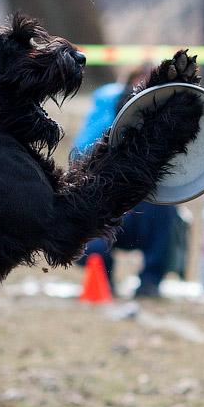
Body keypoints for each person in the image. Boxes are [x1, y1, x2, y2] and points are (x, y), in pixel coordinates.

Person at [73, 64, 181, 298]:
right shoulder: (109, 107)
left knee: (167, 212)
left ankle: (151, 281)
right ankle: (103, 279)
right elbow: (82, 151)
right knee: (91, 231)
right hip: (110, 204)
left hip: (145, 209)